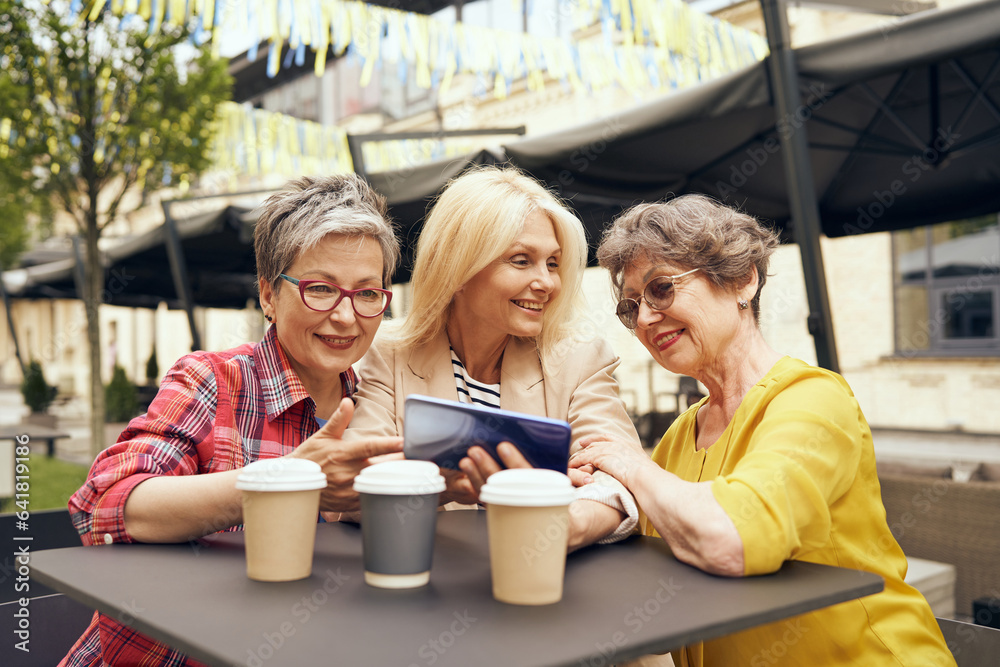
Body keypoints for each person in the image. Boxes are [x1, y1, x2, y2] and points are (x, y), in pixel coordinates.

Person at [569, 194, 956, 666]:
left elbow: (732, 539)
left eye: (662, 289)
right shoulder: (679, 437)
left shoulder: (813, 398)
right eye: (631, 308)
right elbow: (641, 556)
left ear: (741, 281)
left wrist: (629, 465)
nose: (645, 318)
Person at [62, 174, 404, 666]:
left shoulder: (379, 401)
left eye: (368, 294)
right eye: (321, 289)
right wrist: (286, 482)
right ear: (268, 295)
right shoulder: (213, 381)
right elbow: (105, 507)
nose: (346, 316)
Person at [345, 166, 642, 545]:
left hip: (537, 580)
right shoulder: (385, 353)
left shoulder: (580, 359)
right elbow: (354, 487)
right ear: (458, 270)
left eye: (552, 262)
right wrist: (453, 484)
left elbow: (619, 478)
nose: (547, 282)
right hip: (422, 578)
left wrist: (562, 524)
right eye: (521, 260)